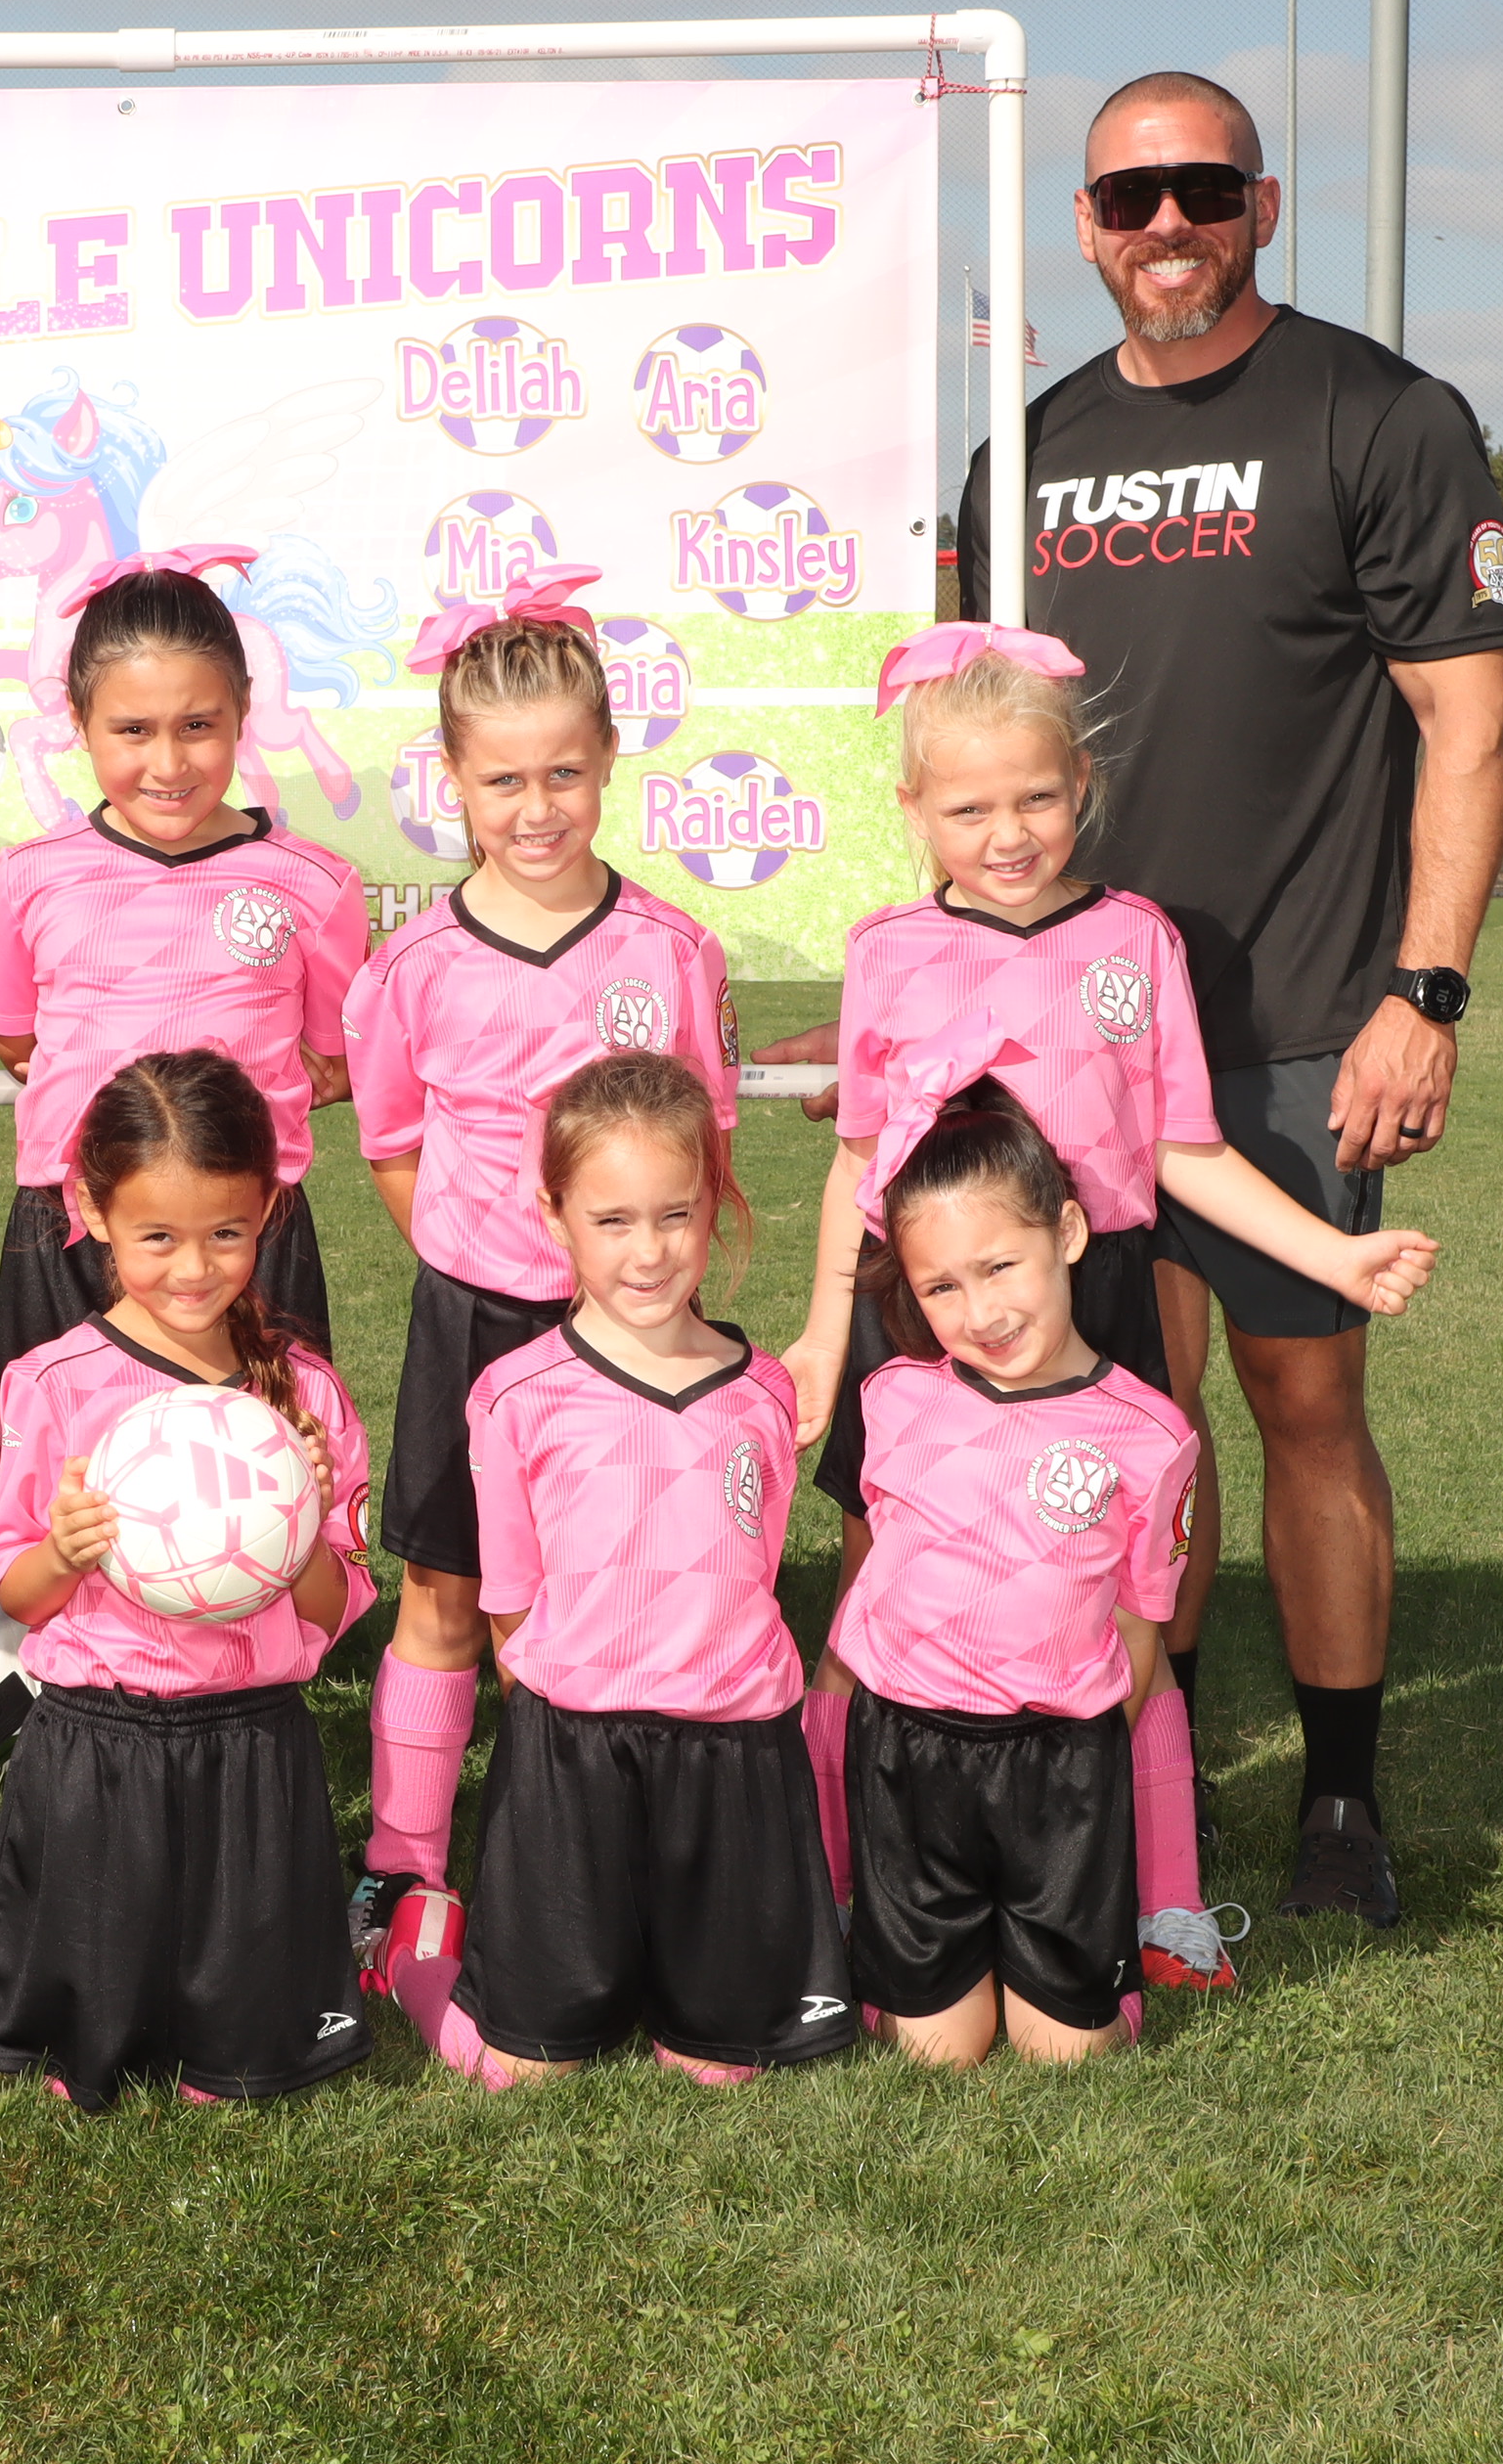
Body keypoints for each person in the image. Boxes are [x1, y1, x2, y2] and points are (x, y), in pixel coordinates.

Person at [942, 68, 1503, 1929]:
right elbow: (972, 754)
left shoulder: (1379, 416)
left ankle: (1341, 1800)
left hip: (1293, 1013)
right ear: (1086, 227)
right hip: (1067, 1024)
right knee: (1117, 1406)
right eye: (1130, 199)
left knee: (1303, 1396)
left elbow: (1469, 723)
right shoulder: (1023, 456)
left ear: (1263, 206)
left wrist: (1423, 990)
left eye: (1203, 189)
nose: (1167, 226)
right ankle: (1154, 1765)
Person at [781, 624, 1436, 2007]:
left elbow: (1185, 1150)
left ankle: (1168, 1902)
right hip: (927, 1315)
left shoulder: (1135, 939)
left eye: (1035, 796)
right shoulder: (889, 951)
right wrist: (828, 1339)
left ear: (1082, 784)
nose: (1007, 832)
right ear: (915, 811)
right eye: (969, 807)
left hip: (1097, 1305)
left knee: (1115, 1605)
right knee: (880, 1590)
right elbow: (861, 1164)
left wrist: (1334, 1255)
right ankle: (833, 1880)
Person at [338, 569, 738, 1955]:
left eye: (564, 772)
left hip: (634, 1331)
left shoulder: (672, 952)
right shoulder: (411, 967)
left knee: (614, 1584)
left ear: (610, 758)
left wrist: (625, 1285)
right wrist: (479, 1257)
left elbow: (701, 1151)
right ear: (452, 778)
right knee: (447, 1589)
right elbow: (395, 1148)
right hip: (475, 1321)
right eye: (503, 778)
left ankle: (598, 1840)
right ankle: (403, 1865)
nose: (536, 807)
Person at [377, 1052, 849, 2089]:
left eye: (676, 1215)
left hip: (733, 1760)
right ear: (555, 1215)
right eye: (614, 1220)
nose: (649, 1250)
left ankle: (674, 1958)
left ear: (715, 1204)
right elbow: (509, 1606)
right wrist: (575, 1721)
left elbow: (752, 1574)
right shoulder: (515, 1396)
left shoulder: (764, 1393)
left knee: (720, 2068)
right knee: (523, 2071)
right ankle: (416, 1959)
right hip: (574, 1758)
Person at [0, 1050, 376, 2110]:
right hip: (97, 1748)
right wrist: (63, 1550)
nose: (194, 1267)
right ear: (92, 1212)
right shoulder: (51, 1383)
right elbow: (15, 1601)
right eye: (158, 1237)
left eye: (226, 1233)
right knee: (86, 2056)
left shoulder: (306, 1393)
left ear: (269, 1209)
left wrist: (302, 1530)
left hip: (254, 1747)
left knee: (240, 2068)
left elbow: (335, 1611)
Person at [834, 1079, 1203, 2070]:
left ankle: (1090, 1941)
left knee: (1067, 2056)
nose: (982, 1311)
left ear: (1068, 1232)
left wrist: (1083, 1763)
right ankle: (902, 1936)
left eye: (1000, 1265)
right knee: (937, 2054)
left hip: (1060, 1770)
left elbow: (1141, 1626)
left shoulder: (1150, 1434)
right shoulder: (892, 1398)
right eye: (941, 1287)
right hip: (910, 1758)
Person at [0, 554, 364, 1383]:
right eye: (133, 730)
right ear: (78, 719)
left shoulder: (316, 886)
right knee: (60, 1458)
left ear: (242, 709)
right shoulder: (28, 877)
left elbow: (330, 1064)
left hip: (244, 1236)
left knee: (268, 1454)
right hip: (70, 1226)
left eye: (196, 726)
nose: (168, 764)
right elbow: (17, 1043)